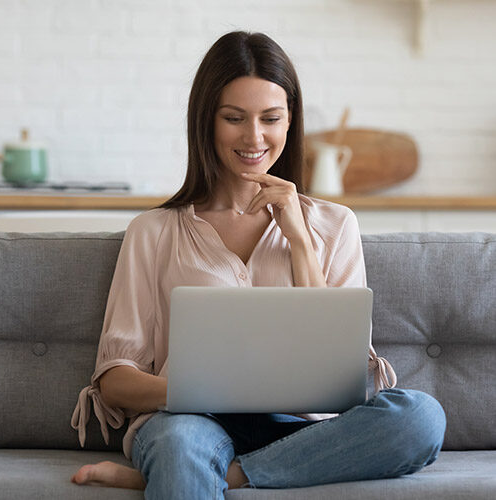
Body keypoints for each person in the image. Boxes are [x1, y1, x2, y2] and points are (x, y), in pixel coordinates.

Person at [70, 31, 446, 498]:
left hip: (303, 429)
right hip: (190, 423)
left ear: (291, 122)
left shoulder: (336, 224)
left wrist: (300, 241)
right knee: (180, 444)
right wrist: (198, 391)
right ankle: (191, 467)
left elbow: (340, 370)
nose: (254, 137)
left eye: (271, 118)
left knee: (421, 417)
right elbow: (114, 382)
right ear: (206, 121)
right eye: (234, 118)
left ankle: (224, 475)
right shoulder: (154, 232)